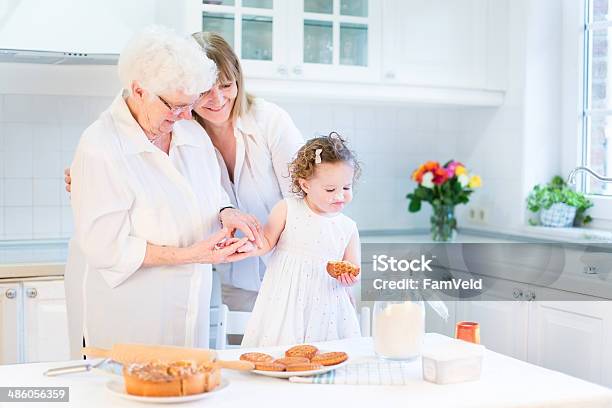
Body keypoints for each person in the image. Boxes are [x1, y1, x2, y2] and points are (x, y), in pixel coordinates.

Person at [65, 32, 304, 314]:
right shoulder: (179, 128)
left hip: (286, 268)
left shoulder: (265, 122)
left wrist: (255, 236)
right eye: (203, 93)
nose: (216, 99)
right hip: (228, 280)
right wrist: (90, 175)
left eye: (227, 85)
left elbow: (304, 198)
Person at [241, 133, 362, 347]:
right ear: (305, 185)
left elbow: (353, 268)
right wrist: (249, 245)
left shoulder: (348, 227)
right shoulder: (287, 209)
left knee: (326, 356)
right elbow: (266, 242)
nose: (340, 195)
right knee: (280, 353)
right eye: (330, 189)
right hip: (286, 301)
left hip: (328, 306)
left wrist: (350, 278)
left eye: (346, 187)